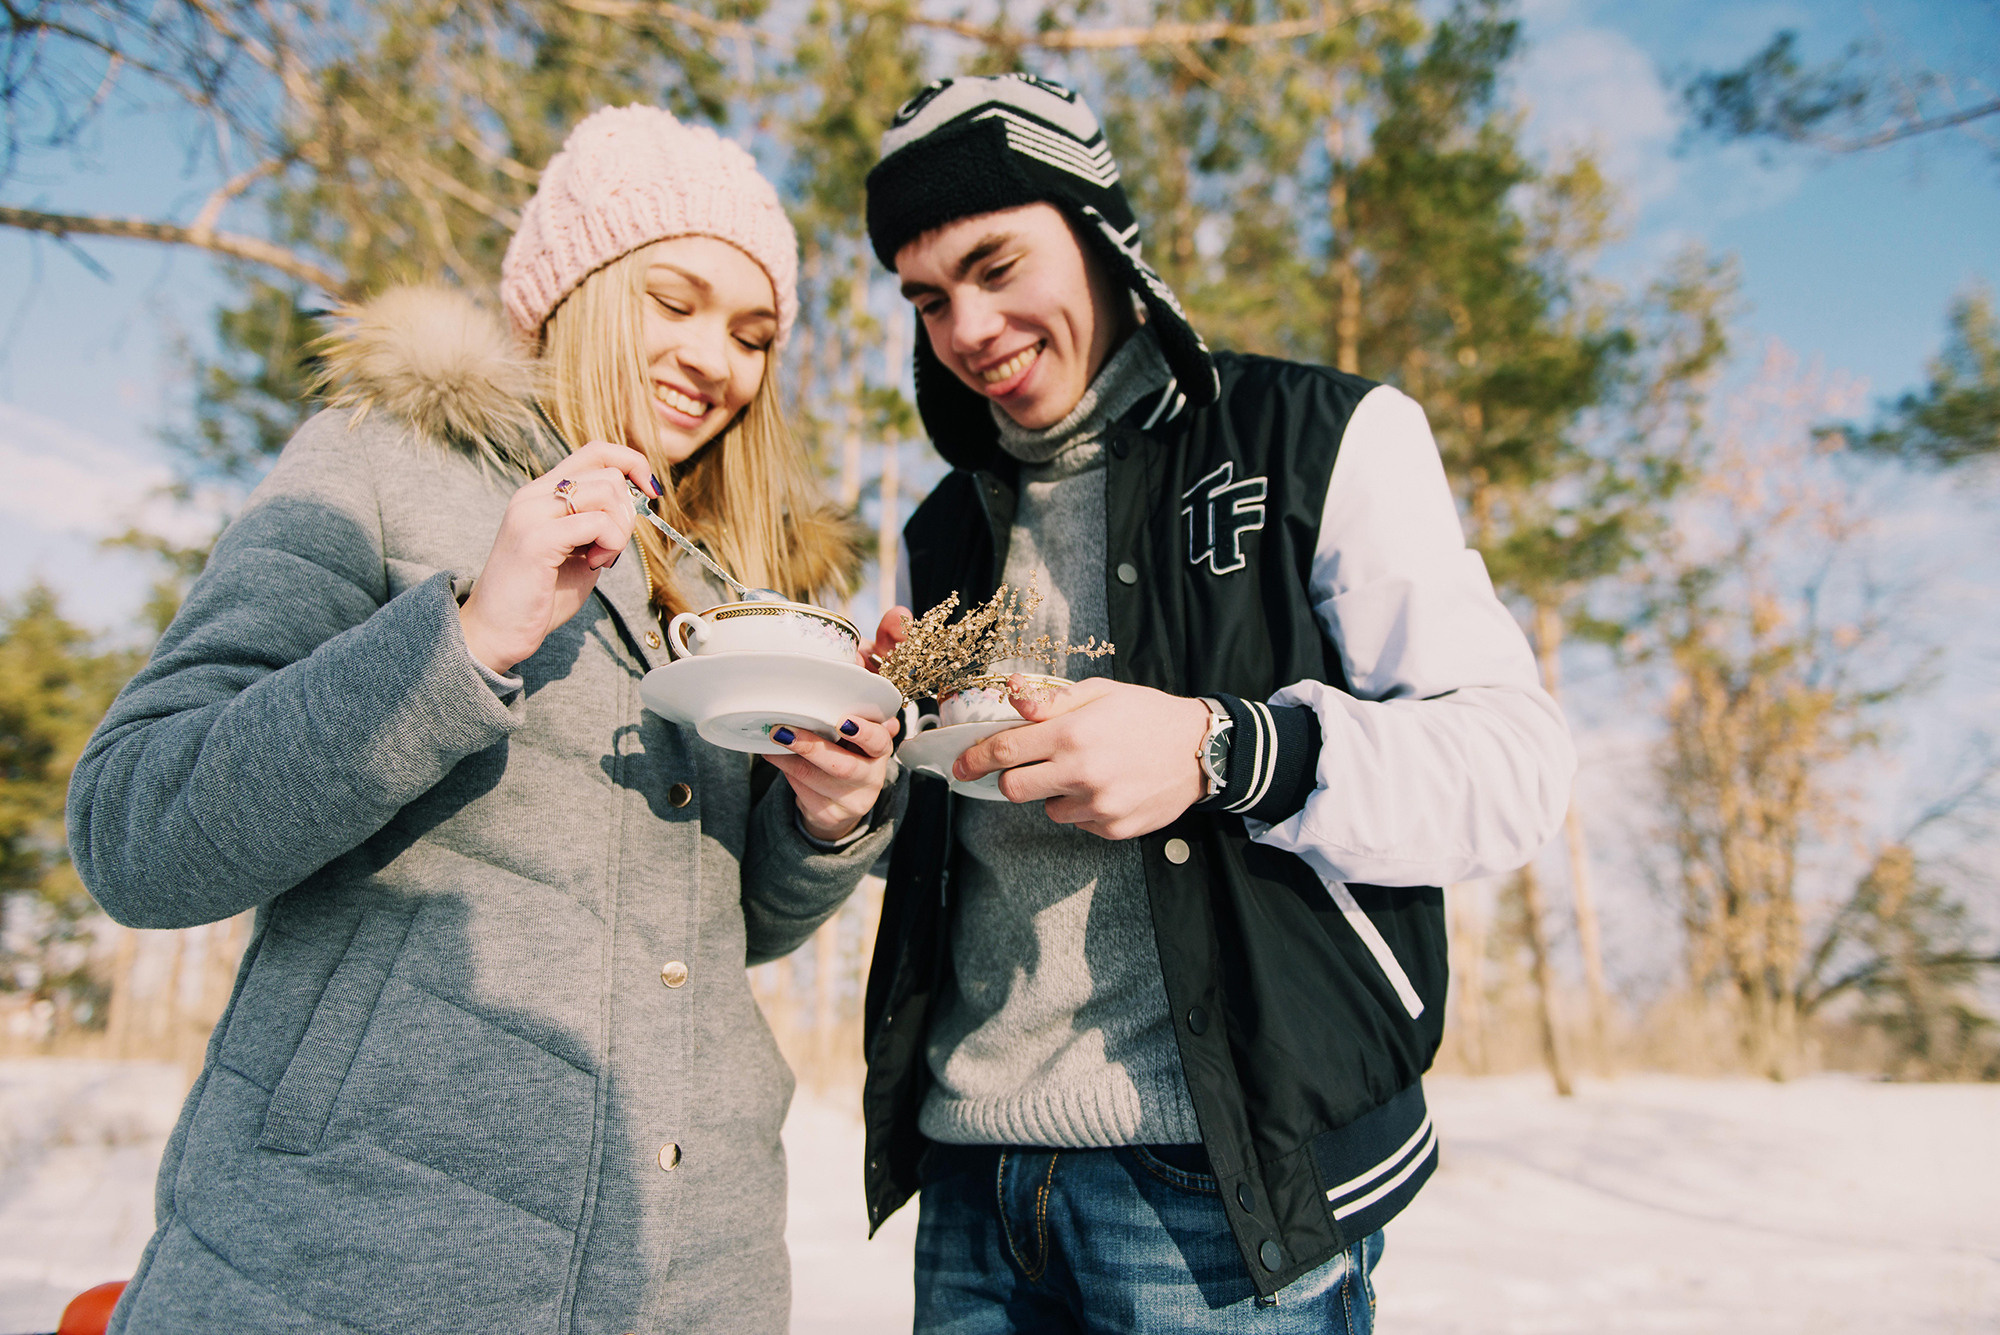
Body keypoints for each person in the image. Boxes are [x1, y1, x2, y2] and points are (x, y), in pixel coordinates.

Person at [66, 105, 902, 1334]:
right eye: (673, 301)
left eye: (751, 334)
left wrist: (827, 822)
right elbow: (138, 832)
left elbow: (725, 930)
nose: (715, 360)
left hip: (694, 1273)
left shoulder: (730, 583)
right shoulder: (380, 462)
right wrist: (464, 638)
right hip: (350, 1263)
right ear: (576, 288)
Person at [858, 74, 1576, 1331]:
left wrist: (1222, 748)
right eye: (925, 298)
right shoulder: (940, 533)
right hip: (973, 1184)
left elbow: (1513, 770)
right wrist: (865, 775)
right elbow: (947, 855)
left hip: (1217, 1192)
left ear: (1099, 235)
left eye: (994, 265)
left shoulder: (1321, 436)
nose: (965, 328)